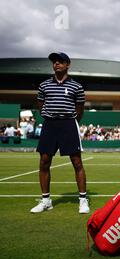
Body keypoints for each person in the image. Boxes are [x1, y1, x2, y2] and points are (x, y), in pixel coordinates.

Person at [30, 52, 90, 214]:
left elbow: (80, 109)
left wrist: (69, 121)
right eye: (54, 62)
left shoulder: (76, 86)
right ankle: (45, 201)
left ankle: (83, 201)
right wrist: (50, 117)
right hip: (49, 125)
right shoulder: (44, 85)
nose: (56, 64)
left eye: (60, 61)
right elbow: (40, 105)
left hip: (69, 125)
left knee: (77, 162)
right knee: (44, 161)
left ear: (67, 65)